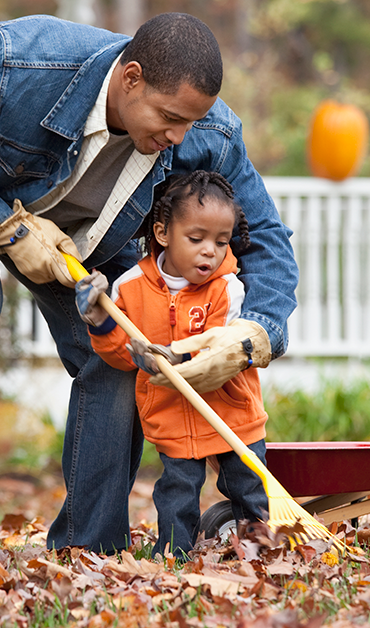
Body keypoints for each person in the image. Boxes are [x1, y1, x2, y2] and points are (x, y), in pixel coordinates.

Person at [0, 12, 297, 562]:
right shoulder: (13, 59)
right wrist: (1, 224)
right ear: (131, 78)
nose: (178, 138)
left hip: (83, 239)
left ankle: (87, 549)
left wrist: (254, 334)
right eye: (169, 117)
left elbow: (264, 234)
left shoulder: (208, 132)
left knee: (125, 354)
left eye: (189, 123)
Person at [74, 171, 268, 559]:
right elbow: (120, 355)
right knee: (177, 492)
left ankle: (261, 550)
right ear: (162, 233)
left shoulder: (226, 288)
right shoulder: (129, 288)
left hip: (231, 413)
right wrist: (100, 320)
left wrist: (175, 356)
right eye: (196, 239)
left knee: (249, 486)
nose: (209, 251)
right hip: (172, 418)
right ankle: (173, 555)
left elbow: (215, 347)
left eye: (221, 241)